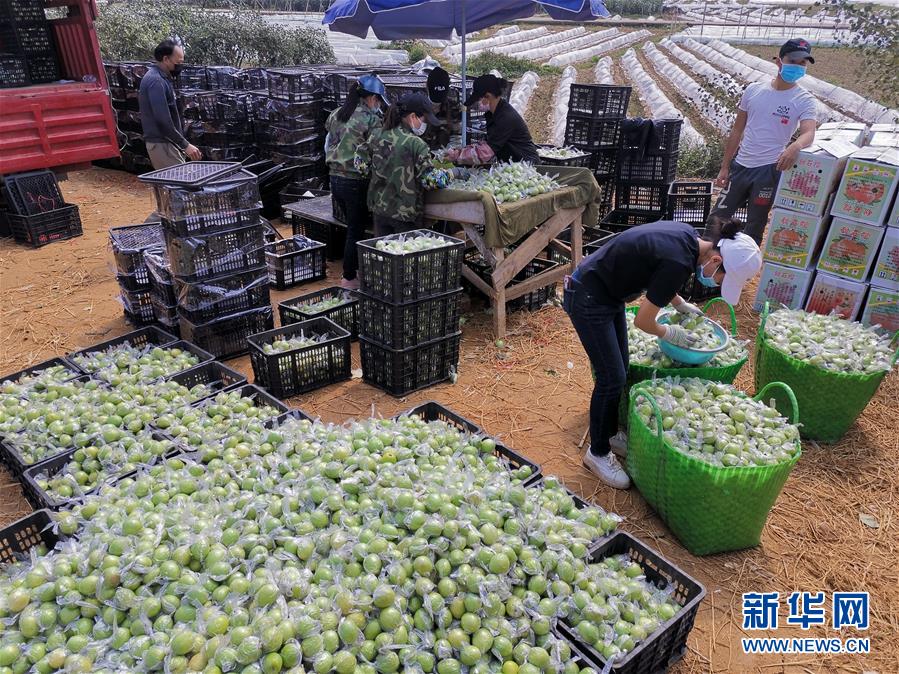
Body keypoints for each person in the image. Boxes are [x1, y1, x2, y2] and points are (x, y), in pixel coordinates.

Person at [563, 219, 762, 489]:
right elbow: (643, 322)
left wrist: (679, 303)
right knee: (611, 377)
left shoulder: (688, 238)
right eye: (721, 278)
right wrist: (672, 333)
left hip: (606, 293)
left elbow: (659, 272)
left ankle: (608, 434)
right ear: (715, 260)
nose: (714, 282)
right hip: (588, 297)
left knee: (619, 371)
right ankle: (597, 454)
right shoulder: (679, 263)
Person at [711, 38, 818, 245]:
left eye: (803, 63)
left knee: (755, 225)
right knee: (717, 218)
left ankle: (740, 268)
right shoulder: (754, 91)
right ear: (779, 61)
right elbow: (737, 130)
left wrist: (795, 146)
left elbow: (809, 133)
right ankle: (705, 268)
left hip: (769, 171)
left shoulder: (804, 100)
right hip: (741, 166)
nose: (798, 67)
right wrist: (725, 167)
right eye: (793, 61)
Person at [354, 93, 468, 236]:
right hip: (405, 215)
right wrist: (454, 173)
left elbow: (360, 166)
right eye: (424, 119)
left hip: (379, 211)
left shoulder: (376, 135)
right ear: (413, 117)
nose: (425, 124)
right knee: (404, 255)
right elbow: (430, 181)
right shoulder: (416, 144)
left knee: (384, 253)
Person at [325, 75, 389, 290]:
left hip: (335, 177)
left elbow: (329, 140)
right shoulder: (371, 119)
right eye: (377, 100)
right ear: (370, 98)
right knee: (356, 230)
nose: (378, 104)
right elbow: (379, 149)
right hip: (355, 180)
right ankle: (349, 277)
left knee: (351, 228)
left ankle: (355, 271)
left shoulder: (338, 114)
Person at [139, 38, 202, 170]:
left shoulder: (163, 78)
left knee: (177, 186)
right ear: (166, 59)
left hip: (168, 143)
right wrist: (185, 145)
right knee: (181, 185)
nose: (180, 66)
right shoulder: (156, 81)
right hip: (162, 144)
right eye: (178, 62)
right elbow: (163, 120)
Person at [462, 73, 539, 164]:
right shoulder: (492, 114)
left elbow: (486, 152)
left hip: (526, 166)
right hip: (511, 164)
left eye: (477, 99)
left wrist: (458, 155)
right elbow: (490, 143)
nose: (476, 104)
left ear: (488, 96)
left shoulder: (505, 117)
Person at [421, 66, 461, 151]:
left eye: (439, 101)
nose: (436, 107)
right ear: (427, 87)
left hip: (445, 154)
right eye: (434, 101)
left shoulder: (453, 105)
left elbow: (457, 136)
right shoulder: (417, 105)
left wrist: (449, 152)